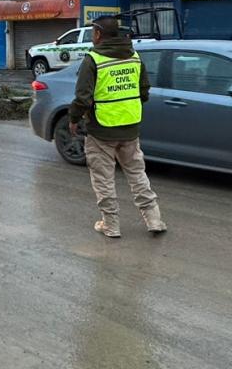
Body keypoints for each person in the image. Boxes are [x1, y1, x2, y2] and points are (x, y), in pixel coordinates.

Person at [68, 16, 166, 237]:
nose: (93, 36)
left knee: (103, 179)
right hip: (130, 127)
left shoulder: (93, 59)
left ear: (99, 34)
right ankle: (154, 219)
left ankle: (110, 225)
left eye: (93, 32)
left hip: (101, 130)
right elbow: (144, 91)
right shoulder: (134, 56)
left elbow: (83, 98)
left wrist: (74, 119)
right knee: (137, 174)